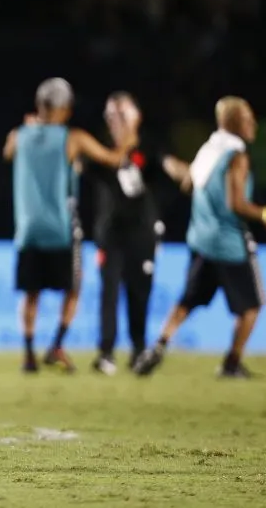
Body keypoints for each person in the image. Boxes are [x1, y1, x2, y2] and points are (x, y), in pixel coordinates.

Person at [134, 97, 266, 379]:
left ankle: (160, 345)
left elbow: (188, 183)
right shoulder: (237, 155)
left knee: (188, 300)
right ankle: (232, 363)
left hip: (202, 240)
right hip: (230, 244)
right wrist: (264, 215)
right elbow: (236, 203)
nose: (254, 123)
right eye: (248, 117)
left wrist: (170, 164)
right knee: (252, 307)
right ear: (235, 122)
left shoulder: (209, 150)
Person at [3, 79, 130, 374]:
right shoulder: (72, 138)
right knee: (73, 288)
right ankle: (56, 345)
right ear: (64, 109)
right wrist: (129, 136)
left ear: (38, 105)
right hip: (61, 228)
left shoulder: (18, 135)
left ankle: (28, 355)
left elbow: (8, 153)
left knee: (31, 293)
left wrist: (30, 129)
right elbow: (113, 159)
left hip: (27, 229)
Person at [87, 92, 190, 375]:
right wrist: (123, 147)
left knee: (139, 292)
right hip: (109, 233)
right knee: (108, 292)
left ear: (137, 116)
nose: (115, 120)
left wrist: (188, 173)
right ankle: (106, 353)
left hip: (142, 232)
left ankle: (137, 350)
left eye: (122, 114)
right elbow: (93, 165)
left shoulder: (150, 145)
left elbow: (169, 165)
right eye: (111, 115)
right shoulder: (101, 146)